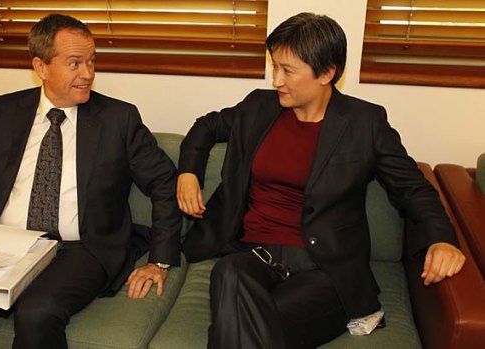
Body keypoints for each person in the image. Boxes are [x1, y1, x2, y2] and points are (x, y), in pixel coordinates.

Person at [177, 12, 465, 349]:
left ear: (327, 73)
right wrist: (188, 173)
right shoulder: (258, 107)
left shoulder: (364, 123)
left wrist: (442, 239)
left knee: (244, 324)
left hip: (325, 267)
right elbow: (205, 127)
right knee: (227, 273)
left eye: (288, 71)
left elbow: (412, 188)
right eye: (274, 67)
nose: (276, 81)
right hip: (253, 254)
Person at [0, 14, 181, 349]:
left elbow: (164, 182)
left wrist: (160, 261)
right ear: (41, 67)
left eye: (91, 61)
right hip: (6, 244)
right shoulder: (5, 111)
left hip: (80, 250)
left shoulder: (118, 119)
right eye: (74, 63)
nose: (87, 73)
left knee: (37, 312)